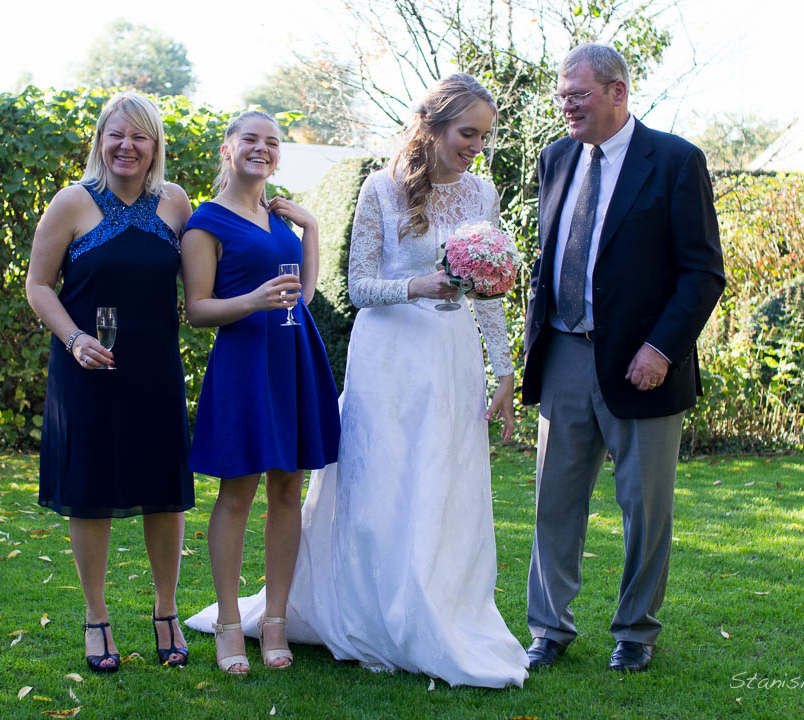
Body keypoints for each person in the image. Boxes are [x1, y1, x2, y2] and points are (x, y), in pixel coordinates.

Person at [188, 74, 530, 689]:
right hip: (391, 355)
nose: (476, 145)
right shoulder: (381, 187)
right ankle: (362, 609)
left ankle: (435, 608)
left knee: (441, 483)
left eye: (484, 135)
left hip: (451, 356)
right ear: (434, 126)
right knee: (383, 481)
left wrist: (503, 368)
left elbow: (489, 295)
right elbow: (358, 287)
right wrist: (415, 286)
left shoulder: (483, 193)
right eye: (466, 132)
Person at [521, 43, 725, 673]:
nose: (566, 107)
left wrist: (662, 348)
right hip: (563, 354)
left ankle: (635, 631)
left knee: (644, 506)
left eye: (577, 95)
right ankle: (549, 628)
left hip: (644, 364)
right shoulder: (554, 159)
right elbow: (549, 257)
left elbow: (701, 272)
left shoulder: (675, 160)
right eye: (561, 96)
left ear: (617, 92)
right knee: (554, 501)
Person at [26, 91, 195, 672]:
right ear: (101, 140)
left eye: (139, 136)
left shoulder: (175, 203)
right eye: (116, 135)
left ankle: (166, 611)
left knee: (164, 492)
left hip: (155, 369)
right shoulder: (71, 202)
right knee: (91, 492)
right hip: (88, 370)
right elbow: (39, 286)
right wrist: (74, 339)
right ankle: (97, 617)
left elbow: (210, 266)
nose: (127, 146)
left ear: (155, 146)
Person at [179, 110, 340, 675]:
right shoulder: (205, 222)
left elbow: (305, 294)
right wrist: (252, 300)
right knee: (237, 493)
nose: (262, 149)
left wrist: (312, 229)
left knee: (288, 491)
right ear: (228, 149)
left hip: (293, 357)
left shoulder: (280, 216)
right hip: (245, 364)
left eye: (272, 142)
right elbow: (196, 310)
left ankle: (275, 620)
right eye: (251, 139)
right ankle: (228, 622)